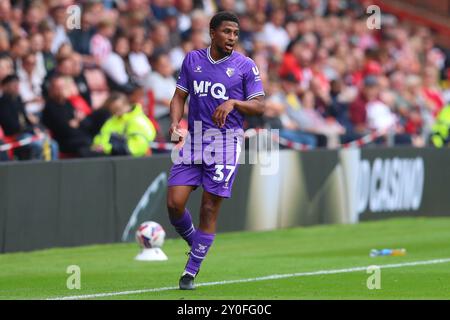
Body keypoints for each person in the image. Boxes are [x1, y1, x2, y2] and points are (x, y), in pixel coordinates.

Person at [166, 11, 265, 290]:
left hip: (225, 143)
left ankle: (190, 272)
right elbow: (179, 97)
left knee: (208, 208)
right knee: (174, 204)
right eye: (227, 32)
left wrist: (234, 103)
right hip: (195, 140)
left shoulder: (245, 66)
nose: (232, 37)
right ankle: (197, 243)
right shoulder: (193, 60)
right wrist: (175, 122)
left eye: (235, 33)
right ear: (212, 32)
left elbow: (259, 105)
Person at [91, 92, 156, 157]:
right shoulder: (111, 121)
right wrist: (99, 146)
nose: (116, 113)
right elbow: (101, 137)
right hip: (111, 160)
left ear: (126, 104)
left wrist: (109, 148)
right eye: (113, 110)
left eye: (118, 108)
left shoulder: (139, 121)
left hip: (136, 161)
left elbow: (136, 148)